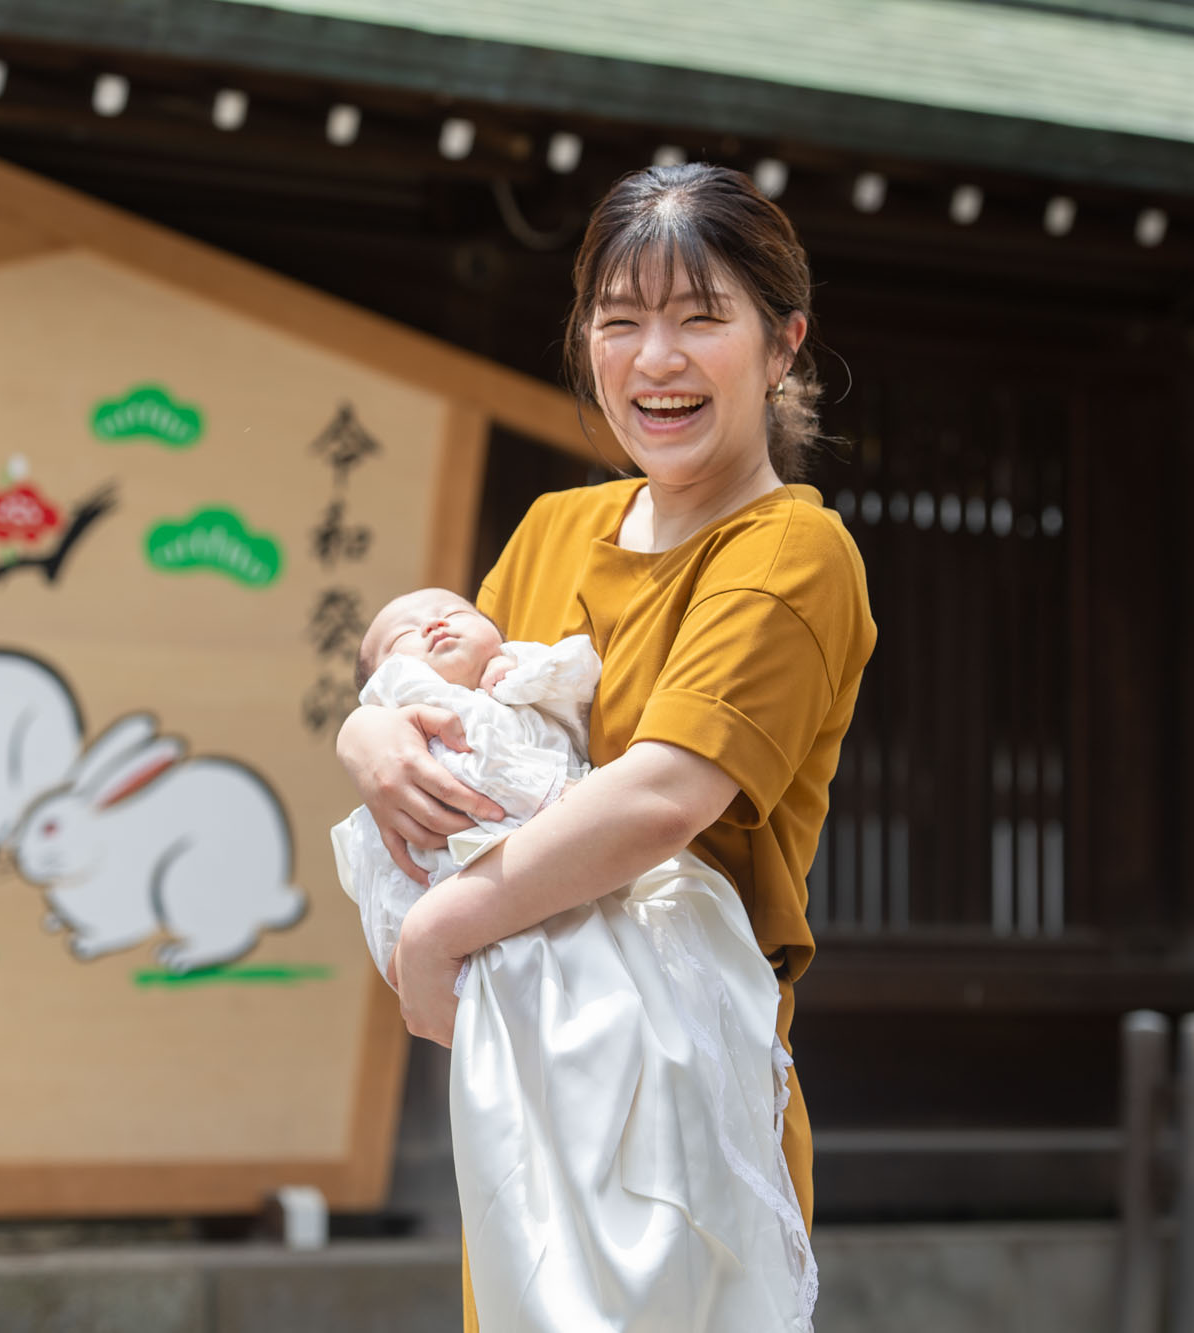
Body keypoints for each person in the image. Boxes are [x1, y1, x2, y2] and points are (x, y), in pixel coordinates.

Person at [335, 162, 875, 1330]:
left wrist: (442, 923)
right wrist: (368, 730)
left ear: (782, 344)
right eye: (618, 319)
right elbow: (447, 699)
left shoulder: (792, 553)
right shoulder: (551, 530)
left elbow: (664, 795)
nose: (654, 359)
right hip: (525, 1068)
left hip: (679, 1082)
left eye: (698, 317)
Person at [334, 588, 816, 1330]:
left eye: (448, 608)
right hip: (507, 920)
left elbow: (587, 698)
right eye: (400, 629)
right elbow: (459, 780)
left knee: (657, 1095)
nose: (430, 621)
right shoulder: (408, 700)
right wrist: (366, 728)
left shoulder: (526, 667)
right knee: (562, 1160)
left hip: (598, 908)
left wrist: (517, 677)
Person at [332, 587, 602, 984]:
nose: (433, 623)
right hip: (474, 884)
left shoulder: (516, 687)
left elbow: (580, 679)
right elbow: (476, 769)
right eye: (400, 636)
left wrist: (518, 669)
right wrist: (560, 796)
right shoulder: (416, 708)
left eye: (455, 612)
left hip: (562, 874)